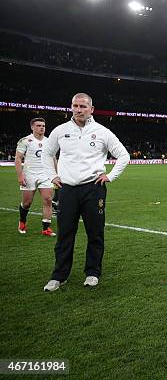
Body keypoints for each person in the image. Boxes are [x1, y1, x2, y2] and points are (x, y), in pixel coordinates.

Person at [42, 93, 130, 292]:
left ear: (91, 109)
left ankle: (92, 272)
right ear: (71, 107)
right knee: (65, 233)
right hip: (67, 189)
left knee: (95, 233)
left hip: (93, 188)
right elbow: (47, 154)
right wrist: (52, 175)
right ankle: (59, 276)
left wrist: (110, 176)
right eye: (75, 105)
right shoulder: (61, 131)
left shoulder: (102, 132)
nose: (79, 109)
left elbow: (123, 155)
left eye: (83, 106)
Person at [15, 117, 56, 236]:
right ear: (32, 127)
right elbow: (18, 159)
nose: (41, 128)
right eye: (38, 125)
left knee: (48, 199)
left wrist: (56, 174)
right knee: (27, 203)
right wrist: (20, 175)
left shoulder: (49, 141)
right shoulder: (25, 141)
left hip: (45, 174)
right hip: (29, 174)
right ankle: (22, 221)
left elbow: (53, 158)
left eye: (43, 126)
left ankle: (46, 228)